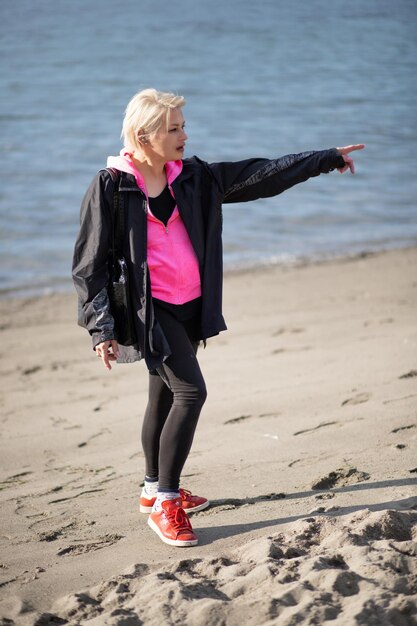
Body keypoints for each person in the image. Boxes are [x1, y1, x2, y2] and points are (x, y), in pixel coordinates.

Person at [72, 88, 364, 548]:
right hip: (151, 312)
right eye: (174, 129)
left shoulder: (191, 176)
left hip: (190, 303)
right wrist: (101, 328)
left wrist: (325, 158)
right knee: (191, 391)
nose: (185, 135)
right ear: (145, 136)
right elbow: (89, 263)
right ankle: (167, 501)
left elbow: (259, 175)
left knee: (164, 395)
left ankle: (152, 489)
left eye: (183, 125)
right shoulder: (112, 185)